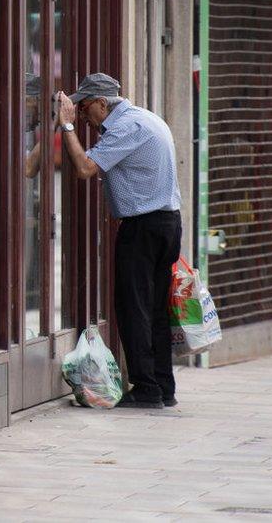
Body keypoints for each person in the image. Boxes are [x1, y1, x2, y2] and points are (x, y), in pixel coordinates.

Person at [56, 73, 183, 409]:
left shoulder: (127, 128)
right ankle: (162, 387)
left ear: (102, 103)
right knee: (154, 309)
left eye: (84, 109)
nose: (82, 116)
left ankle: (146, 388)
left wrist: (66, 128)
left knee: (134, 309)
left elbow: (85, 167)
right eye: (78, 112)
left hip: (144, 227)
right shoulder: (145, 118)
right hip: (166, 223)